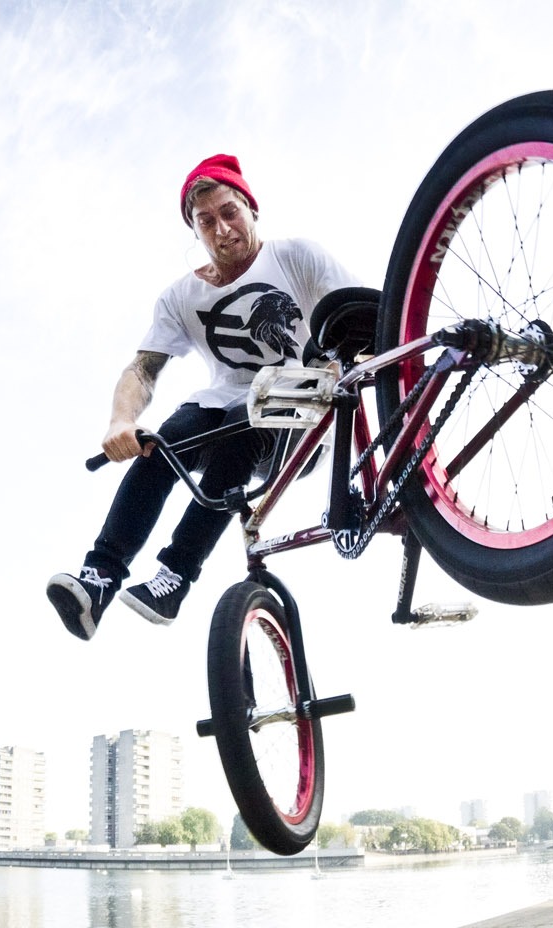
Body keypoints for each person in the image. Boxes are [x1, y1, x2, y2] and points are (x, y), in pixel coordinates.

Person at [46, 154, 359, 639]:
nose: (222, 230)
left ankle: (176, 575)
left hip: (304, 418)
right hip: (230, 404)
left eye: (230, 213)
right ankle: (99, 579)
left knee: (246, 422)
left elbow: (361, 317)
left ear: (251, 209)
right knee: (167, 440)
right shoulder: (180, 297)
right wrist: (121, 421)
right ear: (195, 231)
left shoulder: (296, 256)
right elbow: (142, 369)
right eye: (206, 222)